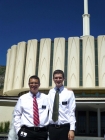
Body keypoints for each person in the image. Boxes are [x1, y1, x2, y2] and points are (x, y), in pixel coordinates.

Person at [14, 75, 49, 140]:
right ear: (29, 84)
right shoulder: (22, 98)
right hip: (26, 132)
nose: (34, 85)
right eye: (31, 83)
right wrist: (18, 130)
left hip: (42, 133)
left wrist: (66, 91)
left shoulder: (46, 98)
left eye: (36, 83)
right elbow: (17, 115)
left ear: (39, 84)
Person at [48, 69, 76, 140]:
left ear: (64, 79)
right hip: (51, 128)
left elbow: (71, 112)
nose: (58, 79)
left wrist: (72, 129)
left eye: (60, 78)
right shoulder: (50, 93)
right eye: (56, 78)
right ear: (53, 79)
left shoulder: (69, 93)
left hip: (65, 128)